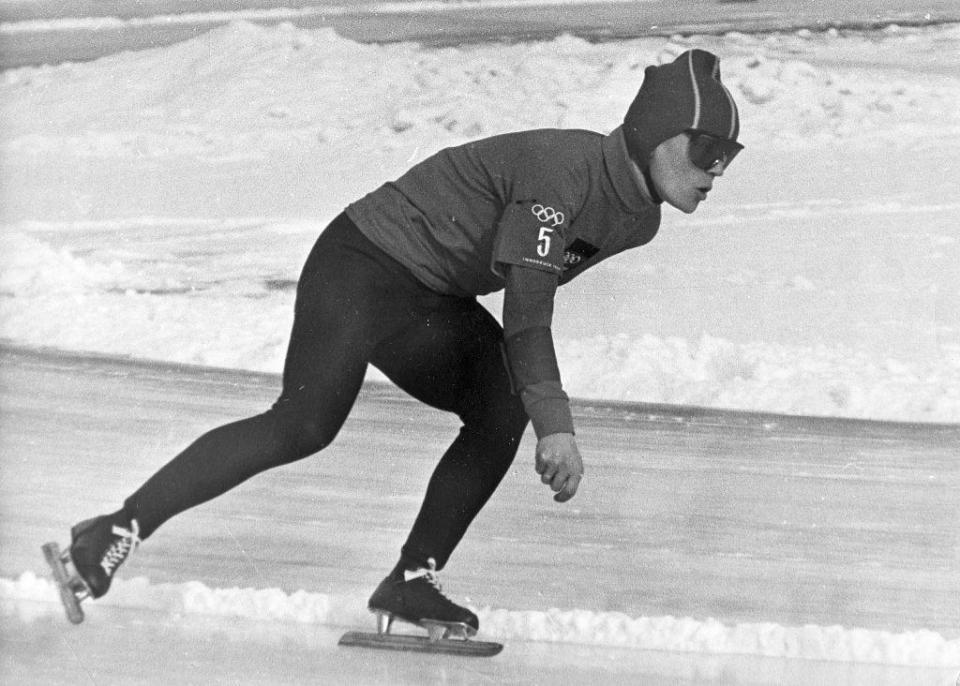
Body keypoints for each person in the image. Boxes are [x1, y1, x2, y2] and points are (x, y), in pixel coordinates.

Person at [52, 48, 742, 636]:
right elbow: (529, 314)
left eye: (727, 157)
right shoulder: (561, 175)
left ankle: (412, 579)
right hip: (363, 261)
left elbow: (527, 293)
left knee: (502, 408)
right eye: (706, 150)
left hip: (430, 293)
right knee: (304, 423)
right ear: (656, 134)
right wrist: (556, 426)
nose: (715, 173)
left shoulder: (638, 219)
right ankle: (116, 529)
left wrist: (537, 411)